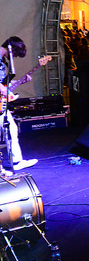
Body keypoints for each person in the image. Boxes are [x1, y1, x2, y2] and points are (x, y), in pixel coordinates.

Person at [0, 37, 38, 172]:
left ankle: (16, 161)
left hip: (1, 104)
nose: (14, 57)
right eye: (16, 54)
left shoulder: (2, 60)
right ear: (13, 49)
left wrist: (20, 82)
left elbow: (4, 84)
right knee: (9, 130)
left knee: (11, 129)